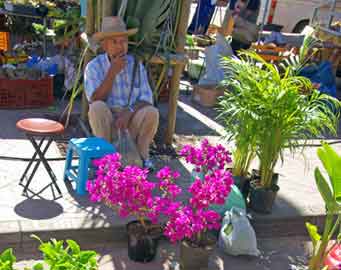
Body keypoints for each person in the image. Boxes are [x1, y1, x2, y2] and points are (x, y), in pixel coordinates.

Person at [84, 16, 159, 169]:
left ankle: (142, 156)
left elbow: (147, 98)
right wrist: (112, 72)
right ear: (104, 45)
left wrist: (129, 112)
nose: (120, 46)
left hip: (130, 123)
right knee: (97, 107)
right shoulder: (94, 67)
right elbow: (95, 99)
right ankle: (106, 159)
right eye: (114, 42)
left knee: (151, 112)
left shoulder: (136, 65)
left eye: (123, 41)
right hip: (108, 124)